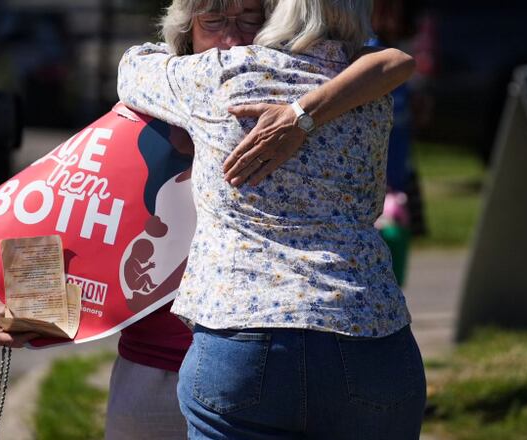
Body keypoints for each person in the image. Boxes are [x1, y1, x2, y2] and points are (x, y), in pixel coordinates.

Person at [0, 0, 417, 438]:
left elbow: (384, 61)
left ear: (280, 21)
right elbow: (72, 209)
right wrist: (3, 293)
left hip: (230, 361)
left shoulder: (243, 83)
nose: (233, 36)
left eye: (250, 18)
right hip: (160, 373)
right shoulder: (144, 120)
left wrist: (302, 114)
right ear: (185, 32)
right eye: (214, 20)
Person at [117, 0, 426, 438]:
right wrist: (303, 116)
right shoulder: (370, 88)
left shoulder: (218, 75)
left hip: (242, 338)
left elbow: (132, 67)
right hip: (371, 331)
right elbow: (393, 61)